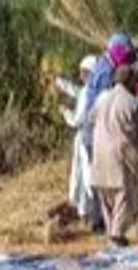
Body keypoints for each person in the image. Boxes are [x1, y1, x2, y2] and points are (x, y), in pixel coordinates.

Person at [90, 64, 138, 247]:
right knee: (124, 197)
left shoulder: (102, 99)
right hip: (119, 155)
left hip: (98, 156)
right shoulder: (132, 103)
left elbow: (90, 119)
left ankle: (112, 237)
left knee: (107, 202)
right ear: (130, 81)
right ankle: (117, 239)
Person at [55, 55, 98, 223]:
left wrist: (64, 112)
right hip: (91, 138)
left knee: (86, 179)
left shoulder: (89, 92)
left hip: (85, 139)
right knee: (81, 177)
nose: (80, 76)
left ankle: (91, 215)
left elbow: (76, 121)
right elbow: (77, 92)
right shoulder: (92, 89)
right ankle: (83, 212)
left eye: (83, 72)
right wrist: (59, 82)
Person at [84, 33, 136, 114]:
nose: (127, 58)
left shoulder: (104, 62)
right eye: (126, 53)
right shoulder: (106, 72)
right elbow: (103, 101)